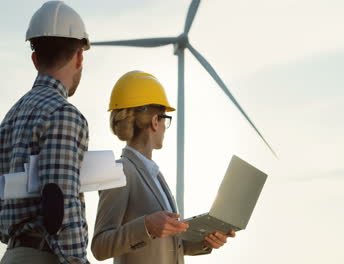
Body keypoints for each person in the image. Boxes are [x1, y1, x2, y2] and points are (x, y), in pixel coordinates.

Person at [91, 71, 236, 264]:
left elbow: (168, 245)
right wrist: (146, 226)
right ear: (155, 121)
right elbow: (100, 246)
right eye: (165, 120)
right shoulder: (121, 171)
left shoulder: (155, 175)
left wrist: (206, 240)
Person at [0, 1, 91, 263]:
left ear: (35, 59)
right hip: (46, 256)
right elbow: (60, 205)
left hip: (13, 254)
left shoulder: (10, 118)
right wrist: (78, 260)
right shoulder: (63, 114)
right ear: (79, 56)